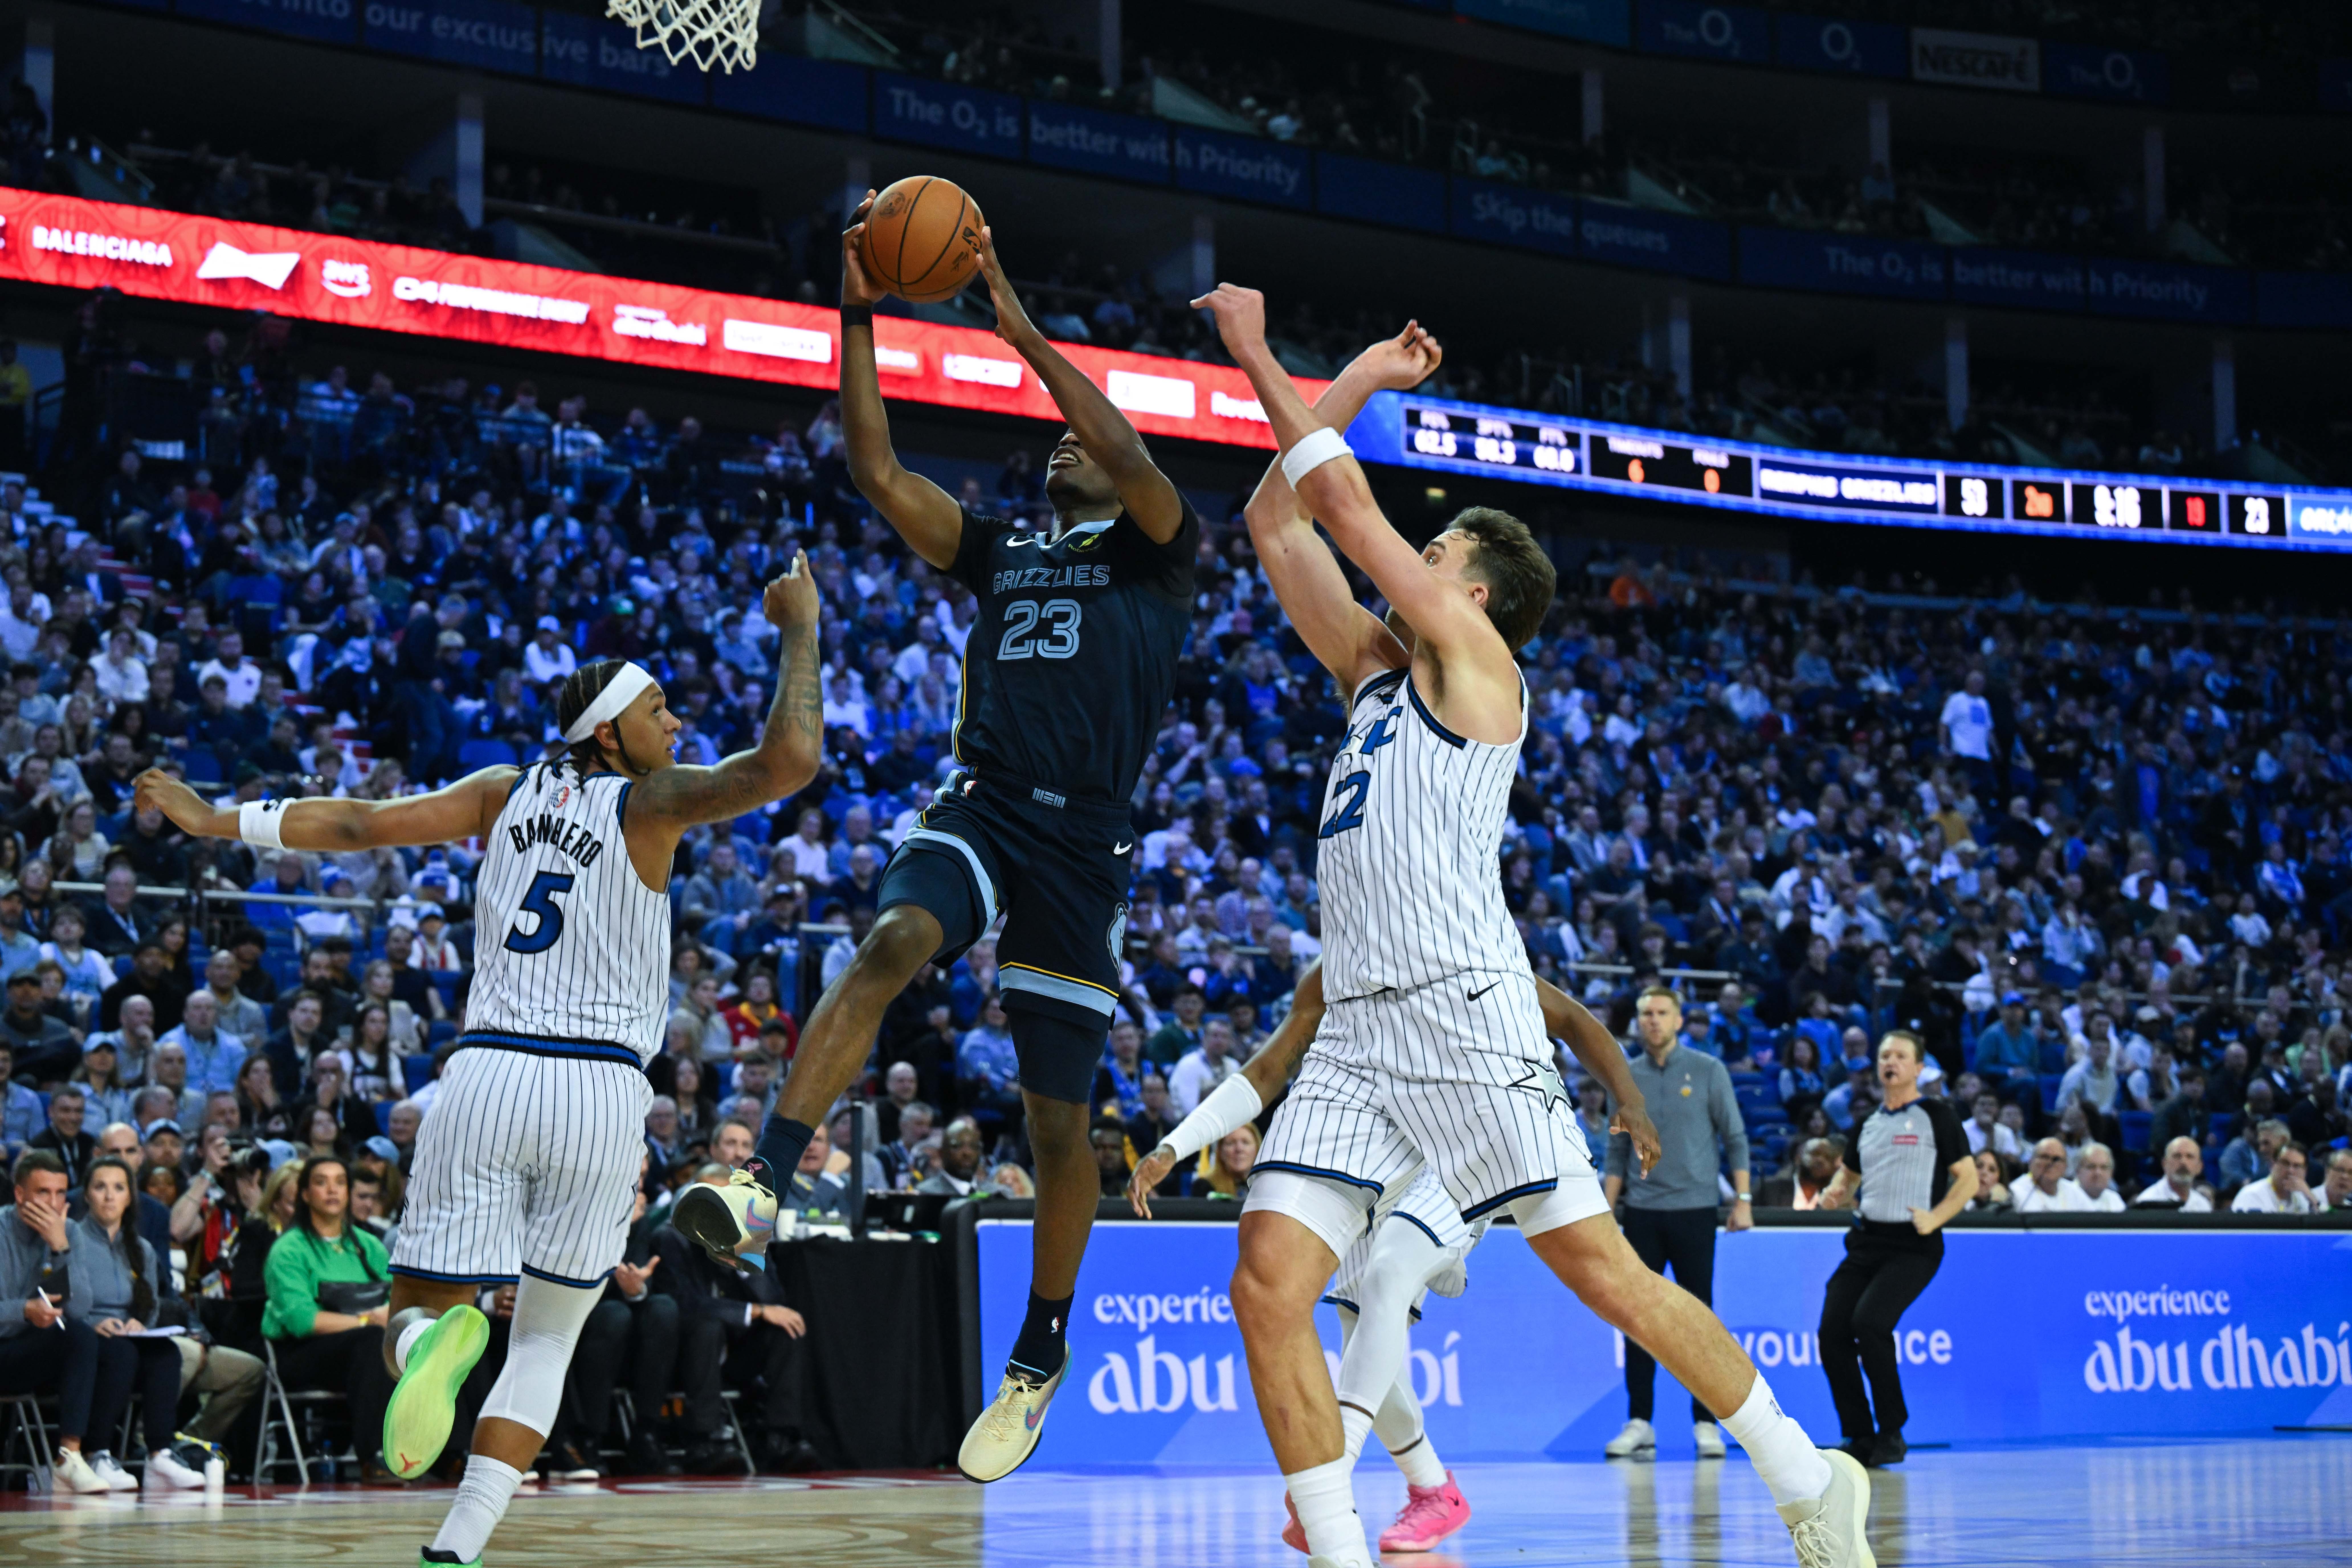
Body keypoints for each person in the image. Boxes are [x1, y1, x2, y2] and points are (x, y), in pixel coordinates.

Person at [1193, 284, 1867, 1568]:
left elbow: (1339, 502)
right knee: (1269, 1279)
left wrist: (1254, 353)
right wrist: (1359, 376)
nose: (1413, 564)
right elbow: (1278, 514)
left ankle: (1803, 1473)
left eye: (1435, 556)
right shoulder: (1375, 674)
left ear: (1480, 597)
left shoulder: (1483, 671)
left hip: (1463, 1010)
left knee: (1607, 1277)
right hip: (1360, 1031)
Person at [135, 552, 820, 1568]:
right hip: (600, 1093)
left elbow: (361, 824)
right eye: (662, 710)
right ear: (609, 729)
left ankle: (429, 1350)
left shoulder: (501, 793)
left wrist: (216, 819)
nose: (675, 726)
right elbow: (789, 762)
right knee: (546, 1337)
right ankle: (458, 1543)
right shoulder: (653, 803)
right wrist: (800, 628)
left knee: (412, 1312)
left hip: (490, 1073)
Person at [697, 205, 1208, 1490]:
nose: (1055, 454)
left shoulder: (1160, 551)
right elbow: (878, 472)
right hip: (984, 804)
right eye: (1046, 446)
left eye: (1070, 446)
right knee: (886, 943)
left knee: (1059, 1128)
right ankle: (761, 1178)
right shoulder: (1006, 553)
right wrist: (860, 308)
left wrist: (1011, 321)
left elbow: (1123, 442)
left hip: (1084, 848)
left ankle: (1040, 1349)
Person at [1132, 956, 1659, 1557]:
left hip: (1465, 1147)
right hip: (1370, 1155)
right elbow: (1267, 1068)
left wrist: (1630, 1097)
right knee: (1362, 1331)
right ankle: (1434, 1487)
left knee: (1388, 1278)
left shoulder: (1466, 945)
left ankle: (1329, 1477)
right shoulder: (1331, 972)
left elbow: (1572, 1018)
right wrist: (1178, 1143)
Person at [1602, 985, 1751, 1461]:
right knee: (1637, 1319)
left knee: (1698, 1318)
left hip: (1694, 1209)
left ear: (1680, 1020)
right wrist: (1606, 1213)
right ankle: (1639, 1421)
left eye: (1662, 1012)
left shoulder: (1709, 1070)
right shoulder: (1624, 1075)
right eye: (1646, 1012)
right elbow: (1616, 1151)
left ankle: (1707, 1422)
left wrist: (1743, 1199)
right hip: (1642, 1212)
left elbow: (1736, 1135)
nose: (1653, 1020)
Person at [1814, 1031, 1976, 1468]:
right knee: (1832, 1332)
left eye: (1901, 1056)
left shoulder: (1936, 1115)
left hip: (1913, 1246)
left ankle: (1892, 1432)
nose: (1891, 1062)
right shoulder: (1867, 1124)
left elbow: (1969, 1179)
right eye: (1885, 1055)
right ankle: (1860, 1435)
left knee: (1870, 1323)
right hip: (1866, 1240)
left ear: (1919, 1068)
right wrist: (1834, 1194)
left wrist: (1936, 1217)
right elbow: (1848, 1179)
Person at [68, 1154, 208, 1489]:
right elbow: (60, 1299)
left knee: (166, 1354)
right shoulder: (70, 1238)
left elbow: (150, 1304)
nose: (109, 1196)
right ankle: (97, 1453)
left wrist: (139, 1324)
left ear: (130, 1196)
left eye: (118, 1188)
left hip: (127, 1335)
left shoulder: (141, 1248)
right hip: (86, 1335)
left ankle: (159, 1454)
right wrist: (90, 1322)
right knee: (122, 1354)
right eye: (100, 1187)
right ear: (86, 1194)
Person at [263, 1154, 399, 1479]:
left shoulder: (370, 1246)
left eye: (340, 1182)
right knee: (372, 1342)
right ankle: (375, 1456)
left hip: (365, 1348)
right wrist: (369, 1321)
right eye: (321, 1182)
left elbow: (398, 1298)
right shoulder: (289, 1249)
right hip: (301, 1353)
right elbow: (303, 1321)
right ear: (305, 1195)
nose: (332, 1190)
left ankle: (457, 1453)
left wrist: (387, 1314)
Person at [0, 1149, 122, 1492]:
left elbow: (80, 1307)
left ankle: (75, 1455)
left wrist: (60, 1247)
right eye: (43, 1192)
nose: (53, 1203)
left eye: (59, 1193)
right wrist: (25, 1310)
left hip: (33, 1347)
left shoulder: (68, 1230)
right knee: (77, 1338)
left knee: (100, 1344)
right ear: (20, 1194)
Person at [2011, 1138, 2094, 1213]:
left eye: (2056, 1159)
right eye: (2044, 1157)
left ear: (2066, 1166)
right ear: (2031, 1162)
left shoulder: (2075, 1192)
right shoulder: (2016, 1192)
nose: (2050, 1163)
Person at [2131, 1137, 2213, 1212]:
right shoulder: (2148, 1202)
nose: (2183, 1162)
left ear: (2200, 1167)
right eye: (2177, 1156)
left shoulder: (2203, 1205)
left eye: (2190, 1157)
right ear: (2164, 1164)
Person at [2230, 1141, 2313, 1214]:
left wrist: (2312, 1199)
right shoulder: (2252, 1195)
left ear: (2305, 1171)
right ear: (2273, 1165)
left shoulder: (2304, 1198)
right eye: (2285, 1163)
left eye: (2297, 1166)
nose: (2291, 1171)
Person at [2073, 1143, 2126, 1212]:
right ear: (2078, 1171)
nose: (2098, 1173)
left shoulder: (2115, 1200)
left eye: (2104, 1167)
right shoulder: (2067, 1197)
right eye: (2092, 1167)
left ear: (2111, 1173)